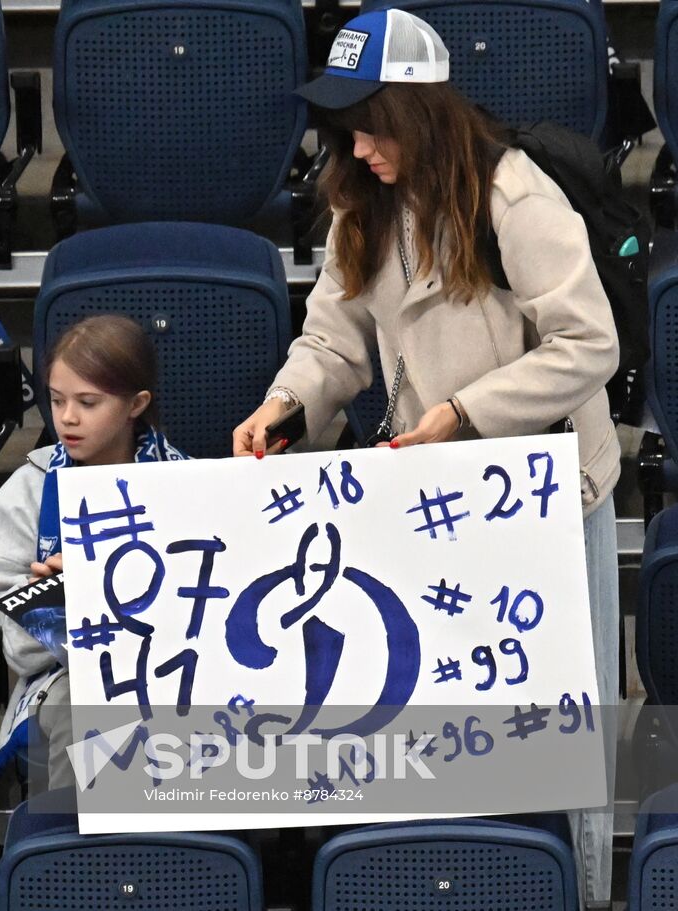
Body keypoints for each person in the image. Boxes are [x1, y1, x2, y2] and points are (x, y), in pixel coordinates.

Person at [231, 11, 619, 905]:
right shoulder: (359, 202)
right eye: (346, 128)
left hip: (545, 495)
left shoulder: (513, 195)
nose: (359, 145)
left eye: (372, 124)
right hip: (435, 497)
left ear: (420, 111)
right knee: (453, 728)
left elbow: (589, 344)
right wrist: (285, 404)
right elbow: (333, 343)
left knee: (559, 732)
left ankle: (578, 889)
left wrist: (465, 413)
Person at [0, 315, 187, 791]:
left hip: (178, 669)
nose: (66, 417)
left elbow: (213, 609)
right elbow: (19, 646)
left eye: (88, 403)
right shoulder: (28, 490)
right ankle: (87, 859)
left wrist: (107, 582)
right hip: (68, 675)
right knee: (87, 713)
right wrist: (54, 600)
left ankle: (200, 856)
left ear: (137, 405)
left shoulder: (188, 485)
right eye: (55, 400)